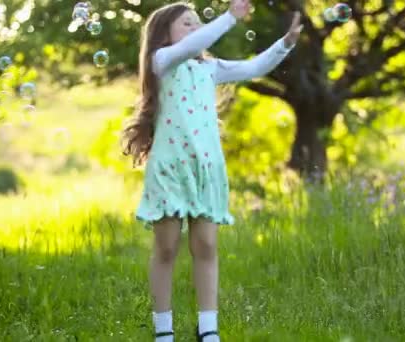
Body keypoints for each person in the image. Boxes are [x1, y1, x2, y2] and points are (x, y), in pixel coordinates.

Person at [121, 1, 302, 340]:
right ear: (164, 35)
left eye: (196, 23)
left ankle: (208, 329)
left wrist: (285, 43)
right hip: (170, 169)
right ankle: (163, 331)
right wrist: (230, 17)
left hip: (206, 169)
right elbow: (191, 45)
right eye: (186, 24)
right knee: (166, 248)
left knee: (205, 246)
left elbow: (253, 67)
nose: (195, 30)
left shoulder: (209, 68)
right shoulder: (162, 62)